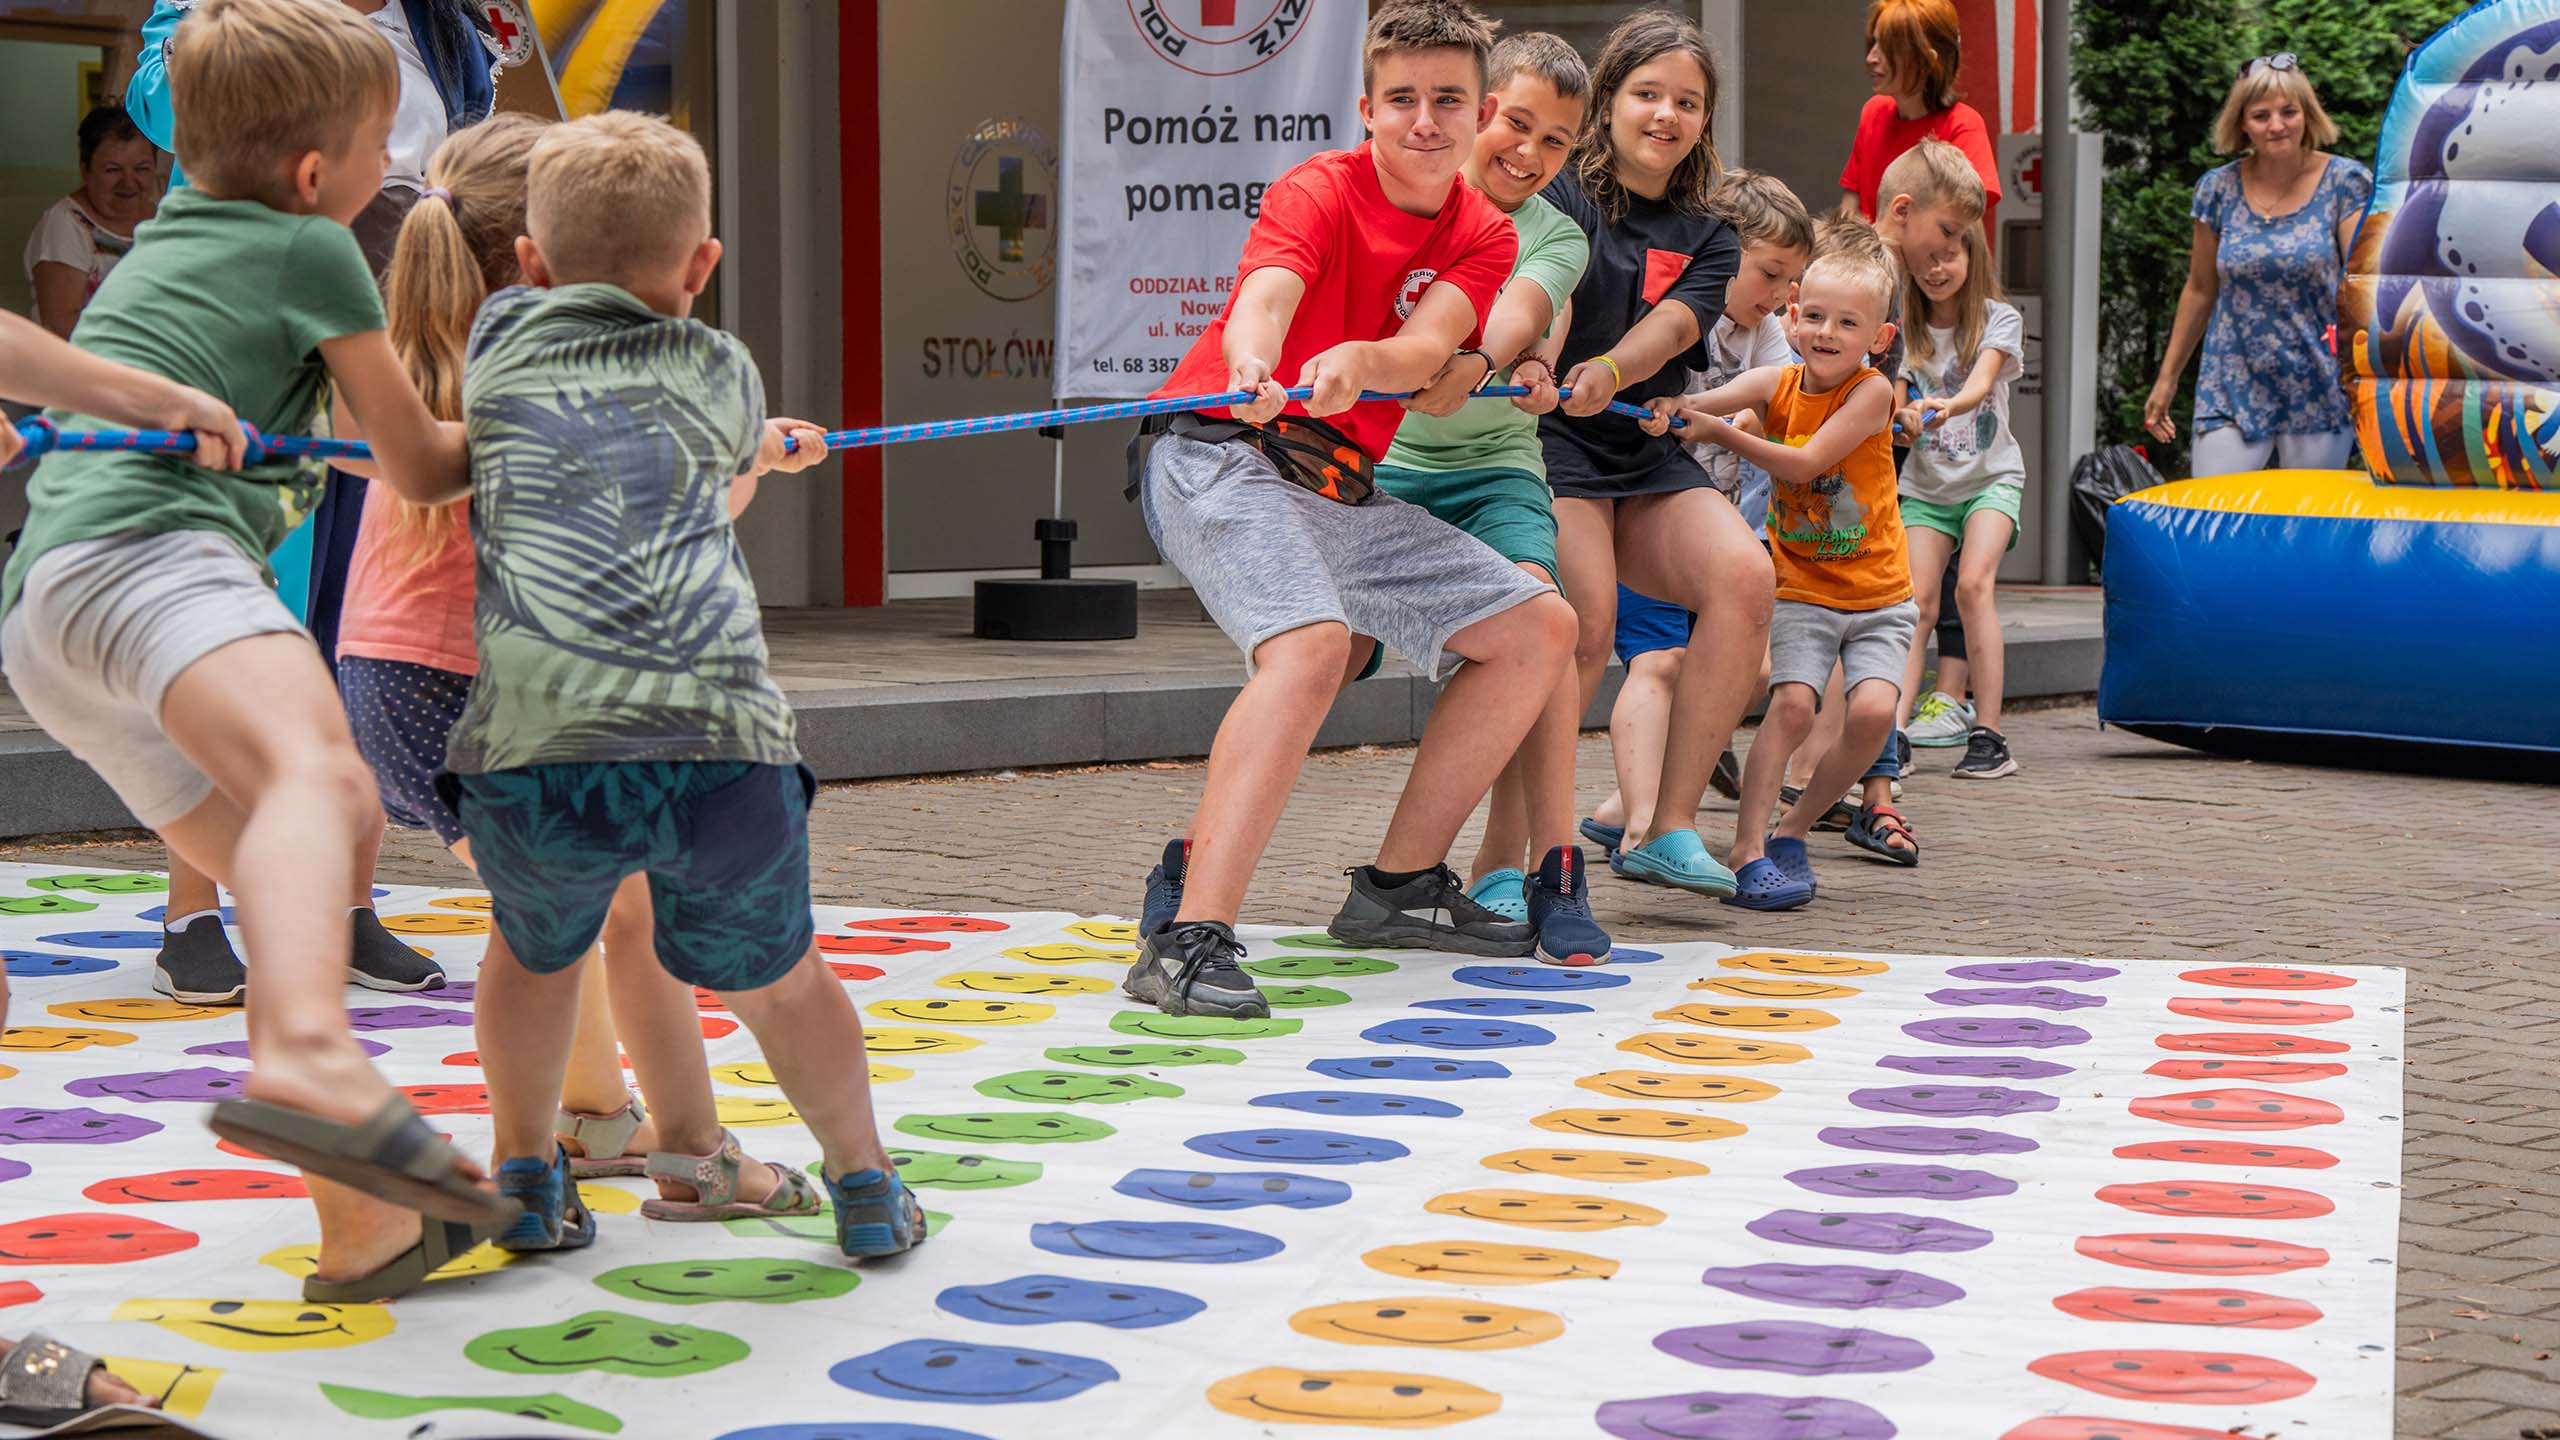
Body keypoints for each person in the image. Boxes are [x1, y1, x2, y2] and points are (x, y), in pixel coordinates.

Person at [3, 0, 505, 1298]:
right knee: (326, 788)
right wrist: (552, 432)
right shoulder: (313, 249)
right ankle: (300, 1061)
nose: (395, 167)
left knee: (283, 885)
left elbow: (350, 440)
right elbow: (417, 462)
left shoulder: (173, 237)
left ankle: (365, 1221)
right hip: (154, 561)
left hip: (48, 612)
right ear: (316, 171)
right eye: (383, 144)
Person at [446, 109, 920, 1262]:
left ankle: (525, 1174)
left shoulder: (497, 340)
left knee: (533, 956)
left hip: (536, 744)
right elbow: (707, 491)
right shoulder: (720, 367)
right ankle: (864, 1183)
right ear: (702, 264)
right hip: (718, 741)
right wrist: (766, 450)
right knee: (785, 978)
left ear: (529, 263)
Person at [1129, 0, 1574, 1014]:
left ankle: (1398, 887)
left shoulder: (1484, 233)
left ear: (1479, 114)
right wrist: (1254, 362)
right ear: (1367, 109)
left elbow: (1428, 348)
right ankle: (1187, 937)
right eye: (1402, 99)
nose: (1425, 120)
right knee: (1312, 646)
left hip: (1334, 482)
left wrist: (1364, 361)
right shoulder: (1317, 188)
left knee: (1538, 629)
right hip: (1215, 454)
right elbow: (1266, 298)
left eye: (1448, 100)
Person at [1371, 30, 1609, 966]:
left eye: (1556, 141)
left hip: (1497, 472)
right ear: (1476, 111)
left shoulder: (1558, 234)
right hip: (1380, 471)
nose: (1529, 152)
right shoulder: (1398, 194)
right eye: (1516, 122)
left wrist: (1493, 359)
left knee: (1546, 618)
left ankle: (1557, 868)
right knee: (1310, 652)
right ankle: (1196, 868)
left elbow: (1520, 309)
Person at [1533, 8, 1764, 903]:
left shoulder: (1713, 231)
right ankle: (1527, 856)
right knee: (1586, 627)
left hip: (1642, 443)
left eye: (1688, 102)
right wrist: (1546, 361)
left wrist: (1609, 370)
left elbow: (1673, 327)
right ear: (1608, 102)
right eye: (1647, 94)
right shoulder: (1562, 194)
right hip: (1552, 440)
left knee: (1745, 577)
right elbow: (1546, 294)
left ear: (1705, 121)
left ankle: (1666, 826)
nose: (1667, 114)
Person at [1643, 242, 1911, 909]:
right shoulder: (1777, 383)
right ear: (1792, 317)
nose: (1826, 333)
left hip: (1881, 593)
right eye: (1814, 316)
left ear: (1878, 339)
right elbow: (1702, 399)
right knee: (1791, 707)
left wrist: (1721, 432)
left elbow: (1805, 462)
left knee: (1874, 713)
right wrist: (1674, 408)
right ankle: (1748, 849)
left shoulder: (1872, 391)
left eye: (1847, 323)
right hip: (1802, 588)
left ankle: (1794, 829)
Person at [1584, 168, 1812, 860]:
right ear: (1721, 250)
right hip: (1641, 503)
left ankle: (1625, 807)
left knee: (1748, 667)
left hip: (1709, 520)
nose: (1778, 297)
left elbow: (1775, 395)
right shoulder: (1681, 308)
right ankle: (1643, 826)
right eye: (1768, 274)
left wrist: (1731, 419)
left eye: (1790, 283)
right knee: (1658, 662)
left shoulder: (1761, 332)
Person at [2144, 53, 2372, 477]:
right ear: (2242, 124)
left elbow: (2360, 283)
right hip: (2231, 380)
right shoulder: (2217, 189)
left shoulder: (2345, 182)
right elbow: (2199, 289)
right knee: (2217, 509)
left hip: (2316, 379)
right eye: (2261, 115)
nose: (2277, 125)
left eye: (2289, 112)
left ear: (2308, 114)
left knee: (2305, 515)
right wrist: (2167, 378)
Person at [1892, 219, 2022, 780]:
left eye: (1947, 255)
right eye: (1924, 259)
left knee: (1972, 586)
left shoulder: (1999, 319)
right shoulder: (1903, 329)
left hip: (1991, 479)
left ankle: (1990, 734)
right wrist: (1902, 420)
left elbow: (1979, 384)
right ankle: (1892, 734)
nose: (1936, 269)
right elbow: (1895, 403)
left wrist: (1944, 406)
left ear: (1972, 256)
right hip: (1926, 487)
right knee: (1915, 604)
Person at [1839, 0, 2000, 245]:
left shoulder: (1963, 125)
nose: (1871, 57)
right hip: (1869, 261)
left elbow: (1963, 225)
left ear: (1926, 60)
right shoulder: (1873, 112)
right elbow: (1850, 207)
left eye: (1888, 48)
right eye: (1874, 43)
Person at [24, 105, 162, 338]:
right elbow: (62, 327)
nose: (129, 183)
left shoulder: (162, 216)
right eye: (113, 170)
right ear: (85, 171)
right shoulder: (64, 226)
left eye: (142, 169)